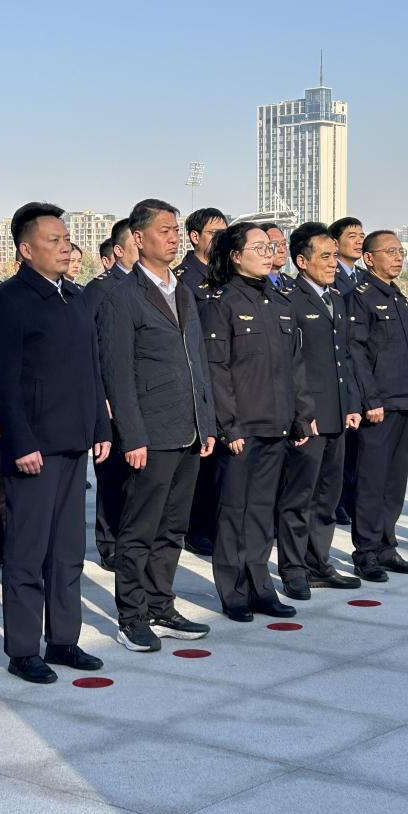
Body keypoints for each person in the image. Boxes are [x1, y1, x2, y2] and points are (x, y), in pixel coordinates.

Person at [0, 202, 111, 684]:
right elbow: (1, 379)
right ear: (25, 249)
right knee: (27, 553)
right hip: (34, 448)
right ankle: (22, 649)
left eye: (67, 239)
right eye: (53, 240)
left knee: (67, 552)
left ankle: (63, 640)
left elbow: (91, 370)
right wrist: (20, 441)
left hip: (74, 442)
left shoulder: (73, 297)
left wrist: (101, 427)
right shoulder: (9, 300)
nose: (65, 247)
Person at [97, 199, 215, 651]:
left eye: (175, 229)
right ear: (138, 238)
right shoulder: (122, 297)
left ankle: (161, 606)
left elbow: (197, 361)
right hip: (151, 434)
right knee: (139, 530)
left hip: (189, 430)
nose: (172, 237)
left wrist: (207, 422)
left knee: (172, 529)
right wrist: (132, 436)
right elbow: (118, 373)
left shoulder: (182, 290)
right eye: (164, 230)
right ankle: (132, 616)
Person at [202, 222, 312, 622]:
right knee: (234, 510)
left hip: (276, 423)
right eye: (260, 248)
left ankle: (260, 587)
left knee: (262, 511)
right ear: (236, 256)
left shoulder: (280, 302)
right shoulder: (221, 303)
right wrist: (228, 425)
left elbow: (294, 367)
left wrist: (301, 416)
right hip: (242, 429)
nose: (269, 254)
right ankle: (233, 592)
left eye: (271, 248)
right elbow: (217, 370)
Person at [276, 223, 362, 600]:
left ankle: (317, 562)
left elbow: (345, 358)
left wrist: (352, 404)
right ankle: (293, 568)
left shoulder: (336, 299)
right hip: (307, 417)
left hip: (336, 413)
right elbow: (287, 366)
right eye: (325, 257)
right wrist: (300, 414)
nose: (332, 263)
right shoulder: (289, 301)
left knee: (327, 495)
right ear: (301, 261)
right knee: (299, 497)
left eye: (334, 256)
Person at [348, 232, 408, 580]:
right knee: (371, 481)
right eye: (390, 251)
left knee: (394, 482)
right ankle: (366, 551)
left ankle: (386, 546)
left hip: (403, 401)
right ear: (369, 258)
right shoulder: (361, 297)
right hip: (378, 405)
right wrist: (371, 399)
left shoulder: (397, 296)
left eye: (401, 251)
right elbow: (357, 354)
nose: (398, 257)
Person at [82, 217, 138, 570]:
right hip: (111, 398)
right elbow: (89, 349)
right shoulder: (100, 289)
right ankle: (110, 542)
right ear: (118, 250)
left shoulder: (148, 286)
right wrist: (100, 396)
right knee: (113, 474)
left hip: (142, 397)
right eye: (136, 243)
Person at [179, 208, 229, 556]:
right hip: (200, 379)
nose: (220, 240)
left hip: (227, 379)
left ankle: (217, 524)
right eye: (214, 233)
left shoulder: (227, 274)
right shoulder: (183, 279)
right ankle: (196, 528)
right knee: (202, 462)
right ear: (195, 237)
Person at [331, 217, 366, 527]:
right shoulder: (330, 278)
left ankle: (353, 498)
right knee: (343, 445)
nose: (358, 240)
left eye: (361, 235)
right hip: (342, 366)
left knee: (359, 447)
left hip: (364, 369)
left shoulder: (364, 278)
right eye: (352, 235)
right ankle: (339, 500)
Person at [174, 207, 226, 302]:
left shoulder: (230, 272)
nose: (221, 238)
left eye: (224, 233)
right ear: (195, 237)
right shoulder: (179, 280)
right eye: (214, 233)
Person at [264, 224, 293, 290]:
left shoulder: (291, 283)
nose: (282, 250)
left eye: (283, 244)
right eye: (275, 245)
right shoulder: (256, 285)